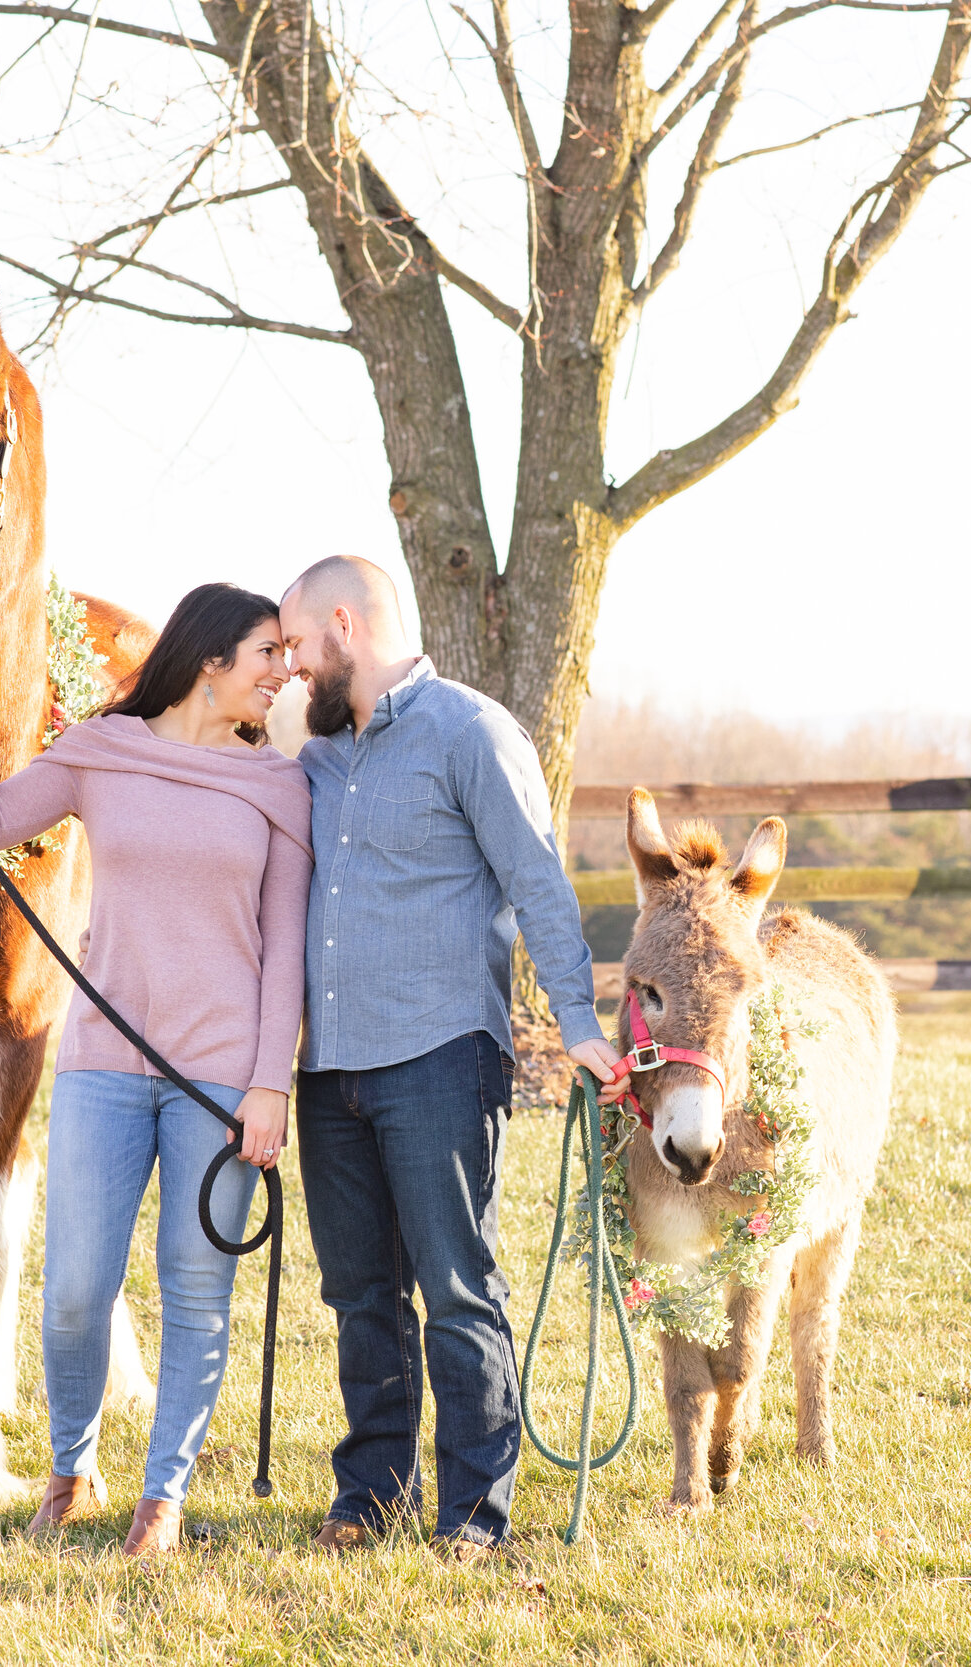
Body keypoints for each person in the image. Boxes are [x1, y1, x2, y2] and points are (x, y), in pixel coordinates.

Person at [0, 583, 312, 1557]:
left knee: (194, 1287)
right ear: (211, 657)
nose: (284, 671)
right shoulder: (104, 749)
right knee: (74, 1288)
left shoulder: (278, 786)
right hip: (103, 1066)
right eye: (268, 652)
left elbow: (286, 947)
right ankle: (71, 1469)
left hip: (221, 1083)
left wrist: (271, 1083)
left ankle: (162, 1497)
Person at [276, 554, 623, 1560]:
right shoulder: (315, 759)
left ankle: (475, 1514)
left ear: (346, 622)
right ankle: (372, 1492)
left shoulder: (471, 731)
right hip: (328, 1066)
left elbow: (539, 882)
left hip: (437, 1055)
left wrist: (579, 1021)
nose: (295, 667)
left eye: (299, 644)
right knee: (357, 1294)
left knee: (456, 1284)